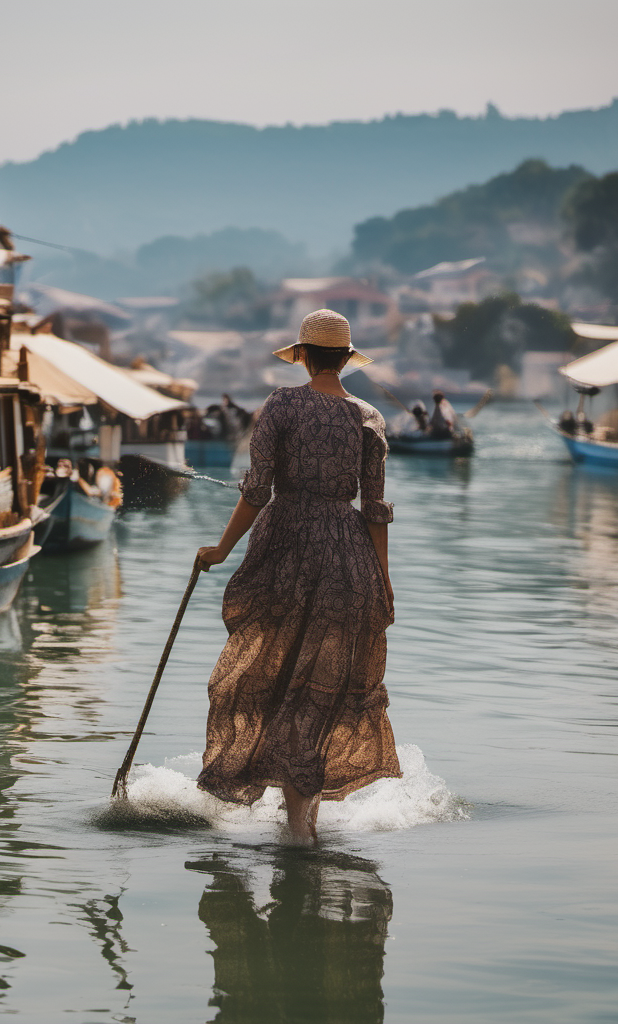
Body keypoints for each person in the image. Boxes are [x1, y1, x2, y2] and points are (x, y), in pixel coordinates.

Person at [195, 309, 401, 845]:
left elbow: (256, 491)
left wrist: (220, 550)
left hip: (285, 551)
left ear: (304, 355)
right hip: (348, 561)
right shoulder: (368, 416)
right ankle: (301, 825)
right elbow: (374, 509)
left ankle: (293, 822)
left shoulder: (282, 405)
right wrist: (381, 579)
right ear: (346, 359)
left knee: (271, 677)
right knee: (319, 688)